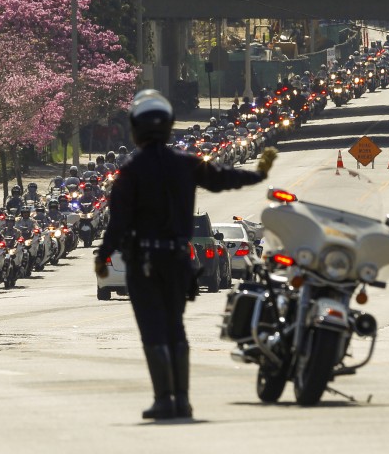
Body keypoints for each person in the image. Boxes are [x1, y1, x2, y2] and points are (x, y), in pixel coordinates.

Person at [94, 90, 277, 421]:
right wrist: (259, 172)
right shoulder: (185, 164)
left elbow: (118, 223)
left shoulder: (130, 173)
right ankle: (183, 399)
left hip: (144, 262)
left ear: (135, 128)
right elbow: (224, 179)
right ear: (168, 126)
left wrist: (103, 254)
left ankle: (165, 398)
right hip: (178, 259)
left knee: (153, 330)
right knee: (175, 328)